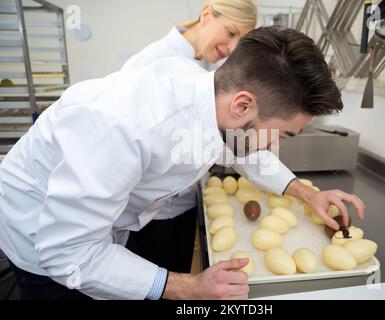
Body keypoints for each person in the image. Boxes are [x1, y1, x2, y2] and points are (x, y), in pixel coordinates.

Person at [0, 26, 365, 300]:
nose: (275, 146)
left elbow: (243, 146)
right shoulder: (124, 126)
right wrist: (188, 286)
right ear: (242, 105)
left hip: (94, 229)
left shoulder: (210, 97)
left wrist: (303, 191)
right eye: (283, 134)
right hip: (40, 240)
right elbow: (68, 254)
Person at [123, 0, 261, 274]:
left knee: (180, 274)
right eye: (231, 33)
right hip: (146, 214)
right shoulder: (150, 64)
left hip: (184, 206)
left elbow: (226, 140)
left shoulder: (211, 69)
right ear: (207, 14)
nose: (232, 49)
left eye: (240, 42)